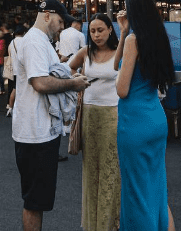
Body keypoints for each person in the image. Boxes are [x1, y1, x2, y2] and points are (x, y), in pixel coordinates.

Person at [12, 0, 89, 231]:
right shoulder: (35, 41)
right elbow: (40, 83)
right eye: (59, 21)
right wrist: (73, 85)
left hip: (40, 131)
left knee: (38, 200)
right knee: (35, 201)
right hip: (35, 134)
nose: (61, 27)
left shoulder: (40, 41)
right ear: (47, 15)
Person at [114, 0, 176, 231]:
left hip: (134, 122)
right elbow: (117, 64)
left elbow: (121, 88)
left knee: (135, 191)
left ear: (132, 10)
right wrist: (123, 32)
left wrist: (127, 37)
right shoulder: (157, 36)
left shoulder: (134, 40)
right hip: (155, 119)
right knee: (156, 188)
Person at [70, 13, 120, 231]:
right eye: (92, 31)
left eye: (101, 30)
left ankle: (109, 223)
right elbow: (69, 68)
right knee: (90, 170)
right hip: (89, 116)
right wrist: (75, 80)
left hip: (113, 115)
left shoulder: (120, 52)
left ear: (110, 29)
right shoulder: (85, 52)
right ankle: (92, 224)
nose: (97, 35)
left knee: (111, 170)